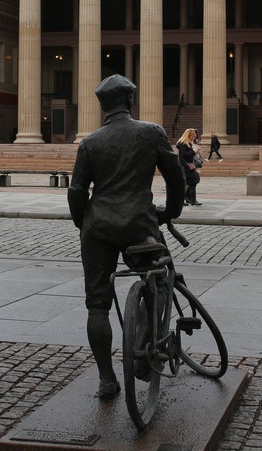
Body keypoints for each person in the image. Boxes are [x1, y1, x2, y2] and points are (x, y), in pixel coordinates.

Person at [67, 74, 185, 400]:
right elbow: (177, 180)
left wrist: (85, 225)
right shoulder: (152, 133)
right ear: (130, 101)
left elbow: (76, 192)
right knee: (160, 283)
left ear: (102, 105)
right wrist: (170, 212)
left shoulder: (90, 143)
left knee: (97, 305)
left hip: (98, 227)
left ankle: (106, 379)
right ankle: (144, 352)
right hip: (139, 224)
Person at [176, 128, 202, 206]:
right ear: (188, 135)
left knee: (190, 182)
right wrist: (194, 151)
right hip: (185, 166)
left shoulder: (187, 144)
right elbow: (184, 155)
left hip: (189, 165)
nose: (194, 136)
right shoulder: (183, 144)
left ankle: (189, 199)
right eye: (193, 135)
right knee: (192, 182)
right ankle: (190, 200)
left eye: (194, 135)